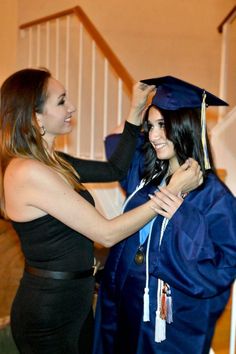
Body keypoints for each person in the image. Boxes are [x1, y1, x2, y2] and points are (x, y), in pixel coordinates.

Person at [0, 69, 202, 354]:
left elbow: (114, 169)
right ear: (36, 117)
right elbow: (106, 233)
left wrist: (135, 109)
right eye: (61, 102)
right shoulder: (27, 171)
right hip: (49, 315)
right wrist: (170, 191)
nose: (72, 107)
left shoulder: (54, 162)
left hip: (75, 303)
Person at [93, 76, 236, 354]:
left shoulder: (215, 198)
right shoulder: (145, 175)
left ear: (186, 126)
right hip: (122, 305)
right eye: (150, 127)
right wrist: (137, 109)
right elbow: (116, 143)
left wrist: (183, 216)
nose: (154, 135)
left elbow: (222, 269)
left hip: (169, 322)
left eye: (162, 125)